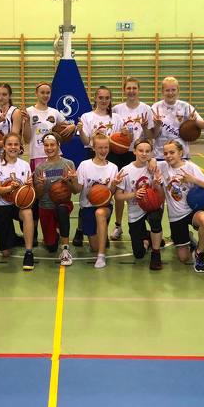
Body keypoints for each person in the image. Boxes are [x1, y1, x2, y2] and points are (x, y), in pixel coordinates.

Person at [22, 82, 75, 244]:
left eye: (48, 92)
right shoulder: (29, 112)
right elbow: (26, 139)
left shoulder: (55, 112)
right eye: (42, 92)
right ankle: (35, 230)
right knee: (37, 196)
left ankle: (58, 226)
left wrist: (72, 126)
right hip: (36, 157)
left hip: (55, 157)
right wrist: (26, 122)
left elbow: (66, 128)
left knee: (59, 192)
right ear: (36, 93)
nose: (45, 95)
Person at [70, 133, 126, 269]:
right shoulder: (84, 165)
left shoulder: (113, 167)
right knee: (94, 247)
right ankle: (99, 236)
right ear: (93, 148)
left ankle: (101, 256)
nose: (103, 150)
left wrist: (114, 185)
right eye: (100, 148)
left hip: (105, 206)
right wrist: (73, 180)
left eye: (106, 147)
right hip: (87, 207)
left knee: (99, 213)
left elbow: (110, 193)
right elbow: (77, 190)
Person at [158, 139, 204, 270]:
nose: (168, 156)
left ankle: (200, 252)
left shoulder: (190, 167)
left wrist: (193, 179)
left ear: (180, 153)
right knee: (183, 258)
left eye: (172, 152)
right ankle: (189, 238)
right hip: (176, 216)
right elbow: (150, 161)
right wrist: (152, 161)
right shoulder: (163, 166)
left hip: (192, 211)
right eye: (165, 153)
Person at [78, 86, 124, 245]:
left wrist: (125, 135)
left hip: (111, 155)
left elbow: (120, 142)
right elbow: (86, 142)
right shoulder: (87, 116)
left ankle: (103, 227)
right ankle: (81, 227)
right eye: (101, 97)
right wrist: (81, 131)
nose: (104, 100)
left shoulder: (116, 118)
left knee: (107, 191)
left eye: (107, 98)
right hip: (92, 154)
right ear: (95, 98)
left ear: (110, 100)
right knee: (88, 190)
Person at [111, 76, 154, 240]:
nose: (131, 91)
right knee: (120, 191)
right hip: (119, 152)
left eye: (134, 88)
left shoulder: (146, 109)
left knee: (142, 187)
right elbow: (112, 132)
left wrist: (150, 156)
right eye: (128, 88)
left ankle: (144, 224)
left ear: (139, 90)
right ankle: (118, 225)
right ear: (124, 90)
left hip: (138, 154)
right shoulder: (116, 109)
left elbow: (150, 136)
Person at [115, 138, 165, 270]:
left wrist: (157, 185)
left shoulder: (154, 168)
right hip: (135, 211)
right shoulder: (126, 170)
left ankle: (156, 254)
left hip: (151, 207)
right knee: (139, 254)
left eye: (147, 151)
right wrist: (134, 194)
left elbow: (161, 196)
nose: (144, 154)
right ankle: (148, 238)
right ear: (134, 151)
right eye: (141, 150)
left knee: (155, 218)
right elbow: (118, 196)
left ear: (151, 153)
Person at [0, 133, 35, 270]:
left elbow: (30, 192)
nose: (13, 147)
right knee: (5, 252)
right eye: (9, 144)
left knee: (27, 212)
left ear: (20, 147)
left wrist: (29, 187)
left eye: (16, 144)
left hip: (17, 205)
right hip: (1, 205)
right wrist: (10, 188)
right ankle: (12, 237)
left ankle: (29, 252)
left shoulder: (24, 165)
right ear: (4, 146)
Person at [34, 133, 76, 265]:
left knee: (62, 210)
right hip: (46, 206)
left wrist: (69, 181)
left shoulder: (68, 164)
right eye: (46, 145)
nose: (49, 148)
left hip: (63, 204)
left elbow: (75, 190)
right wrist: (40, 185)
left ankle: (65, 250)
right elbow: (38, 196)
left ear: (58, 145)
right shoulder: (40, 168)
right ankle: (55, 232)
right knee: (51, 247)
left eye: (52, 145)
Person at [152, 76, 204, 161]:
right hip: (161, 154)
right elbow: (153, 135)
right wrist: (157, 125)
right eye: (167, 90)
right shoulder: (156, 107)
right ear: (162, 92)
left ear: (178, 91)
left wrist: (194, 121)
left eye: (173, 90)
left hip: (181, 154)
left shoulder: (185, 106)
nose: (170, 93)